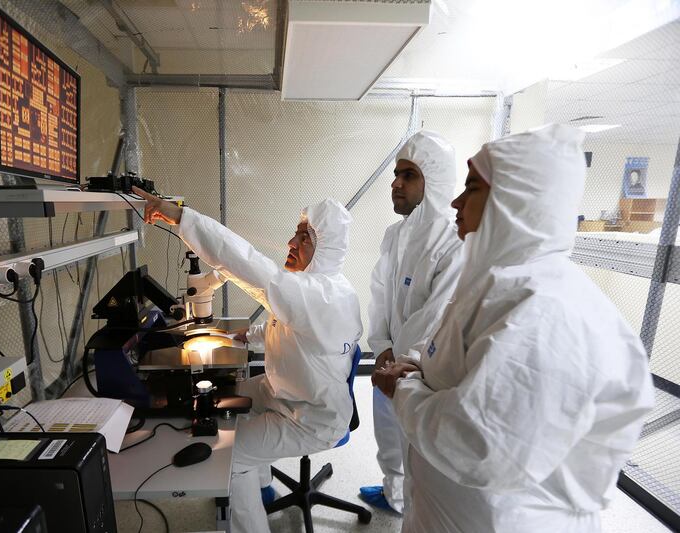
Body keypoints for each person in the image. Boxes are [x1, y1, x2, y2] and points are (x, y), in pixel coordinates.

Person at [373, 124, 655, 532]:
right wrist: (415, 364)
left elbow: (477, 444)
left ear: (514, 199)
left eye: (471, 187)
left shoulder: (546, 312)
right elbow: (449, 350)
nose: (455, 201)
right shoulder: (497, 284)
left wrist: (405, 388)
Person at [132, 189, 363, 533]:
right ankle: (261, 487)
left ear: (325, 249)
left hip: (312, 417)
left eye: (304, 237)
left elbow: (247, 264)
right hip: (285, 391)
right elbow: (290, 322)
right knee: (231, 394)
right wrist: (249, 334)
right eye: (295, 233)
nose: (291, 242)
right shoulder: (323, 287)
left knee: (230, 458)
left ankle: (249, 507)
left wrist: (183, 218)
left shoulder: (318, 295)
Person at [361, 131, 463, 514]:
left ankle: (409, 501)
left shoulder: (453, 242)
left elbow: (437, 314)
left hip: (420, 365)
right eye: (396, 174)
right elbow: (379, 294)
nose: (396, 183)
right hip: (387, 354)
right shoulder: (395, 235)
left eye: (408, 175)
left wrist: (400, 357)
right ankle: (392, 491)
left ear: (432, 182)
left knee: (412, 440)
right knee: (387, 431)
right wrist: (381, 344)